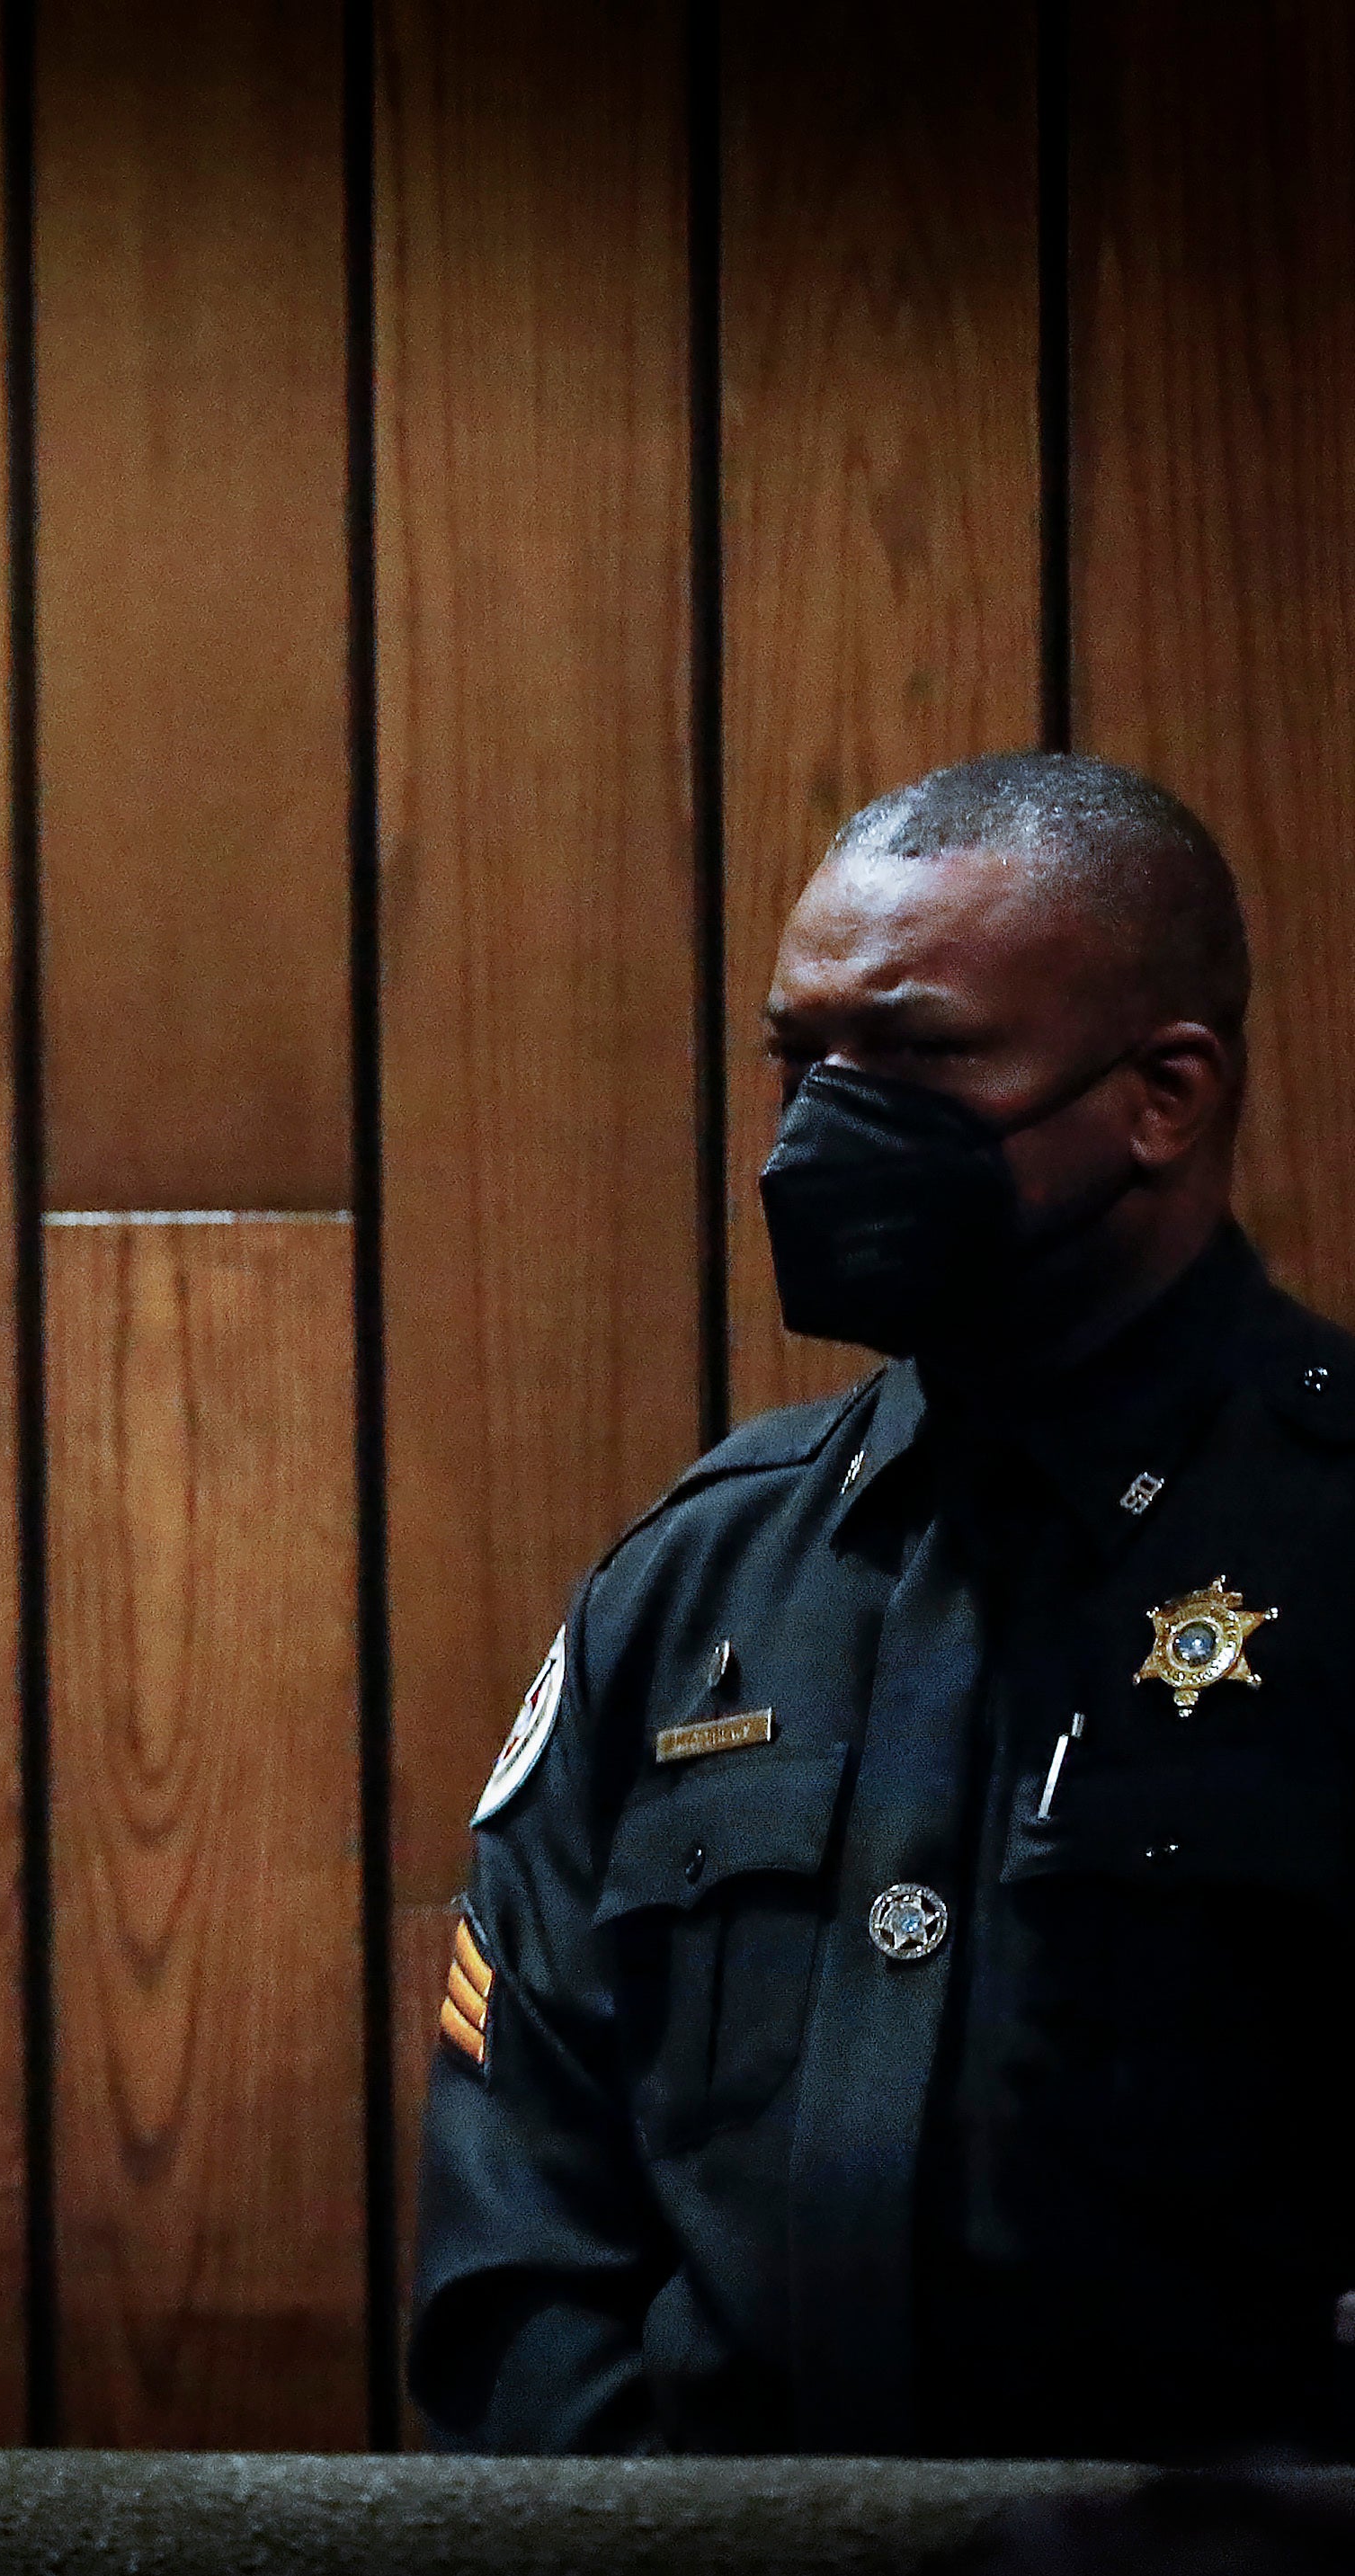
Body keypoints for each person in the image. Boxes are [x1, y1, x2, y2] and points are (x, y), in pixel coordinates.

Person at [414, 752, 1355, 2459]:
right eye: (800, 1059)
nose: (822, 1130)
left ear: (1165, 1091)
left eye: (917, 1059)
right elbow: (520, 2231)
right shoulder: (700, 1575)